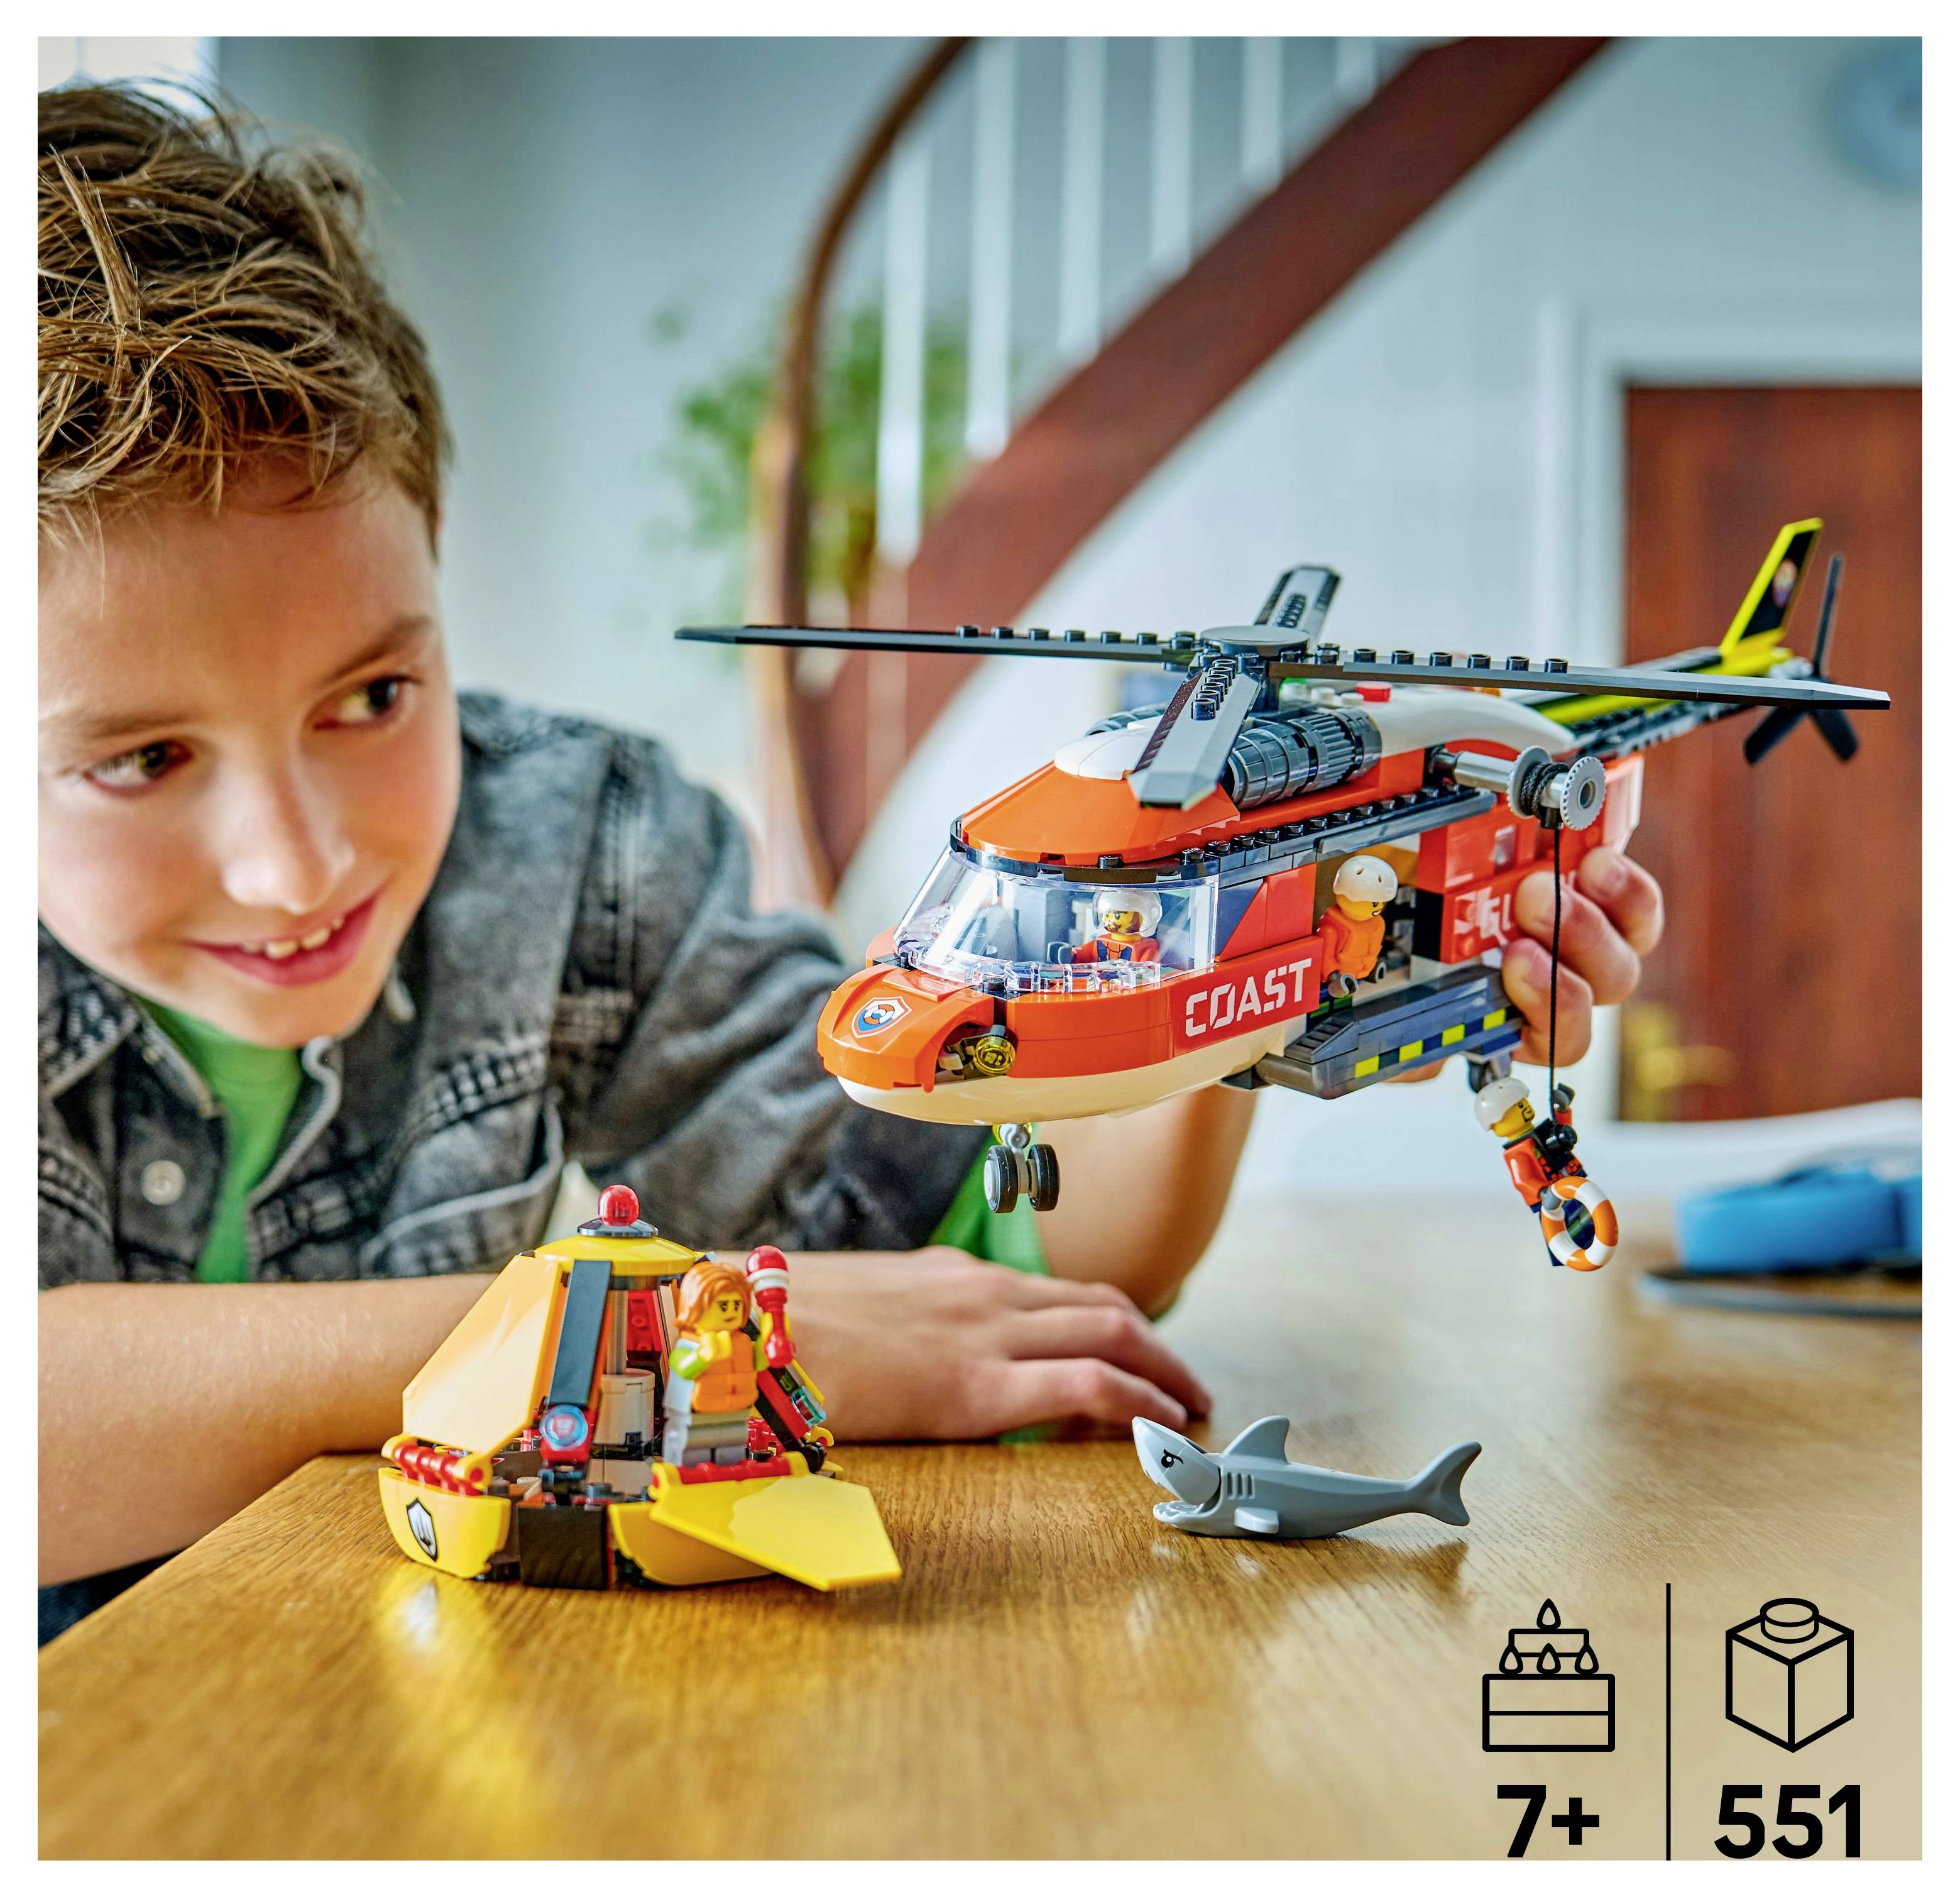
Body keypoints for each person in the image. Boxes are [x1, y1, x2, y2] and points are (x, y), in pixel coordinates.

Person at [35, 85, 1664, 1630]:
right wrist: (625, 1342)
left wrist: (1246, 990)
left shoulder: (583, 849)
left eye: (376, 694)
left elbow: (984, 1263)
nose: (298, 860)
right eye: (141, 758)